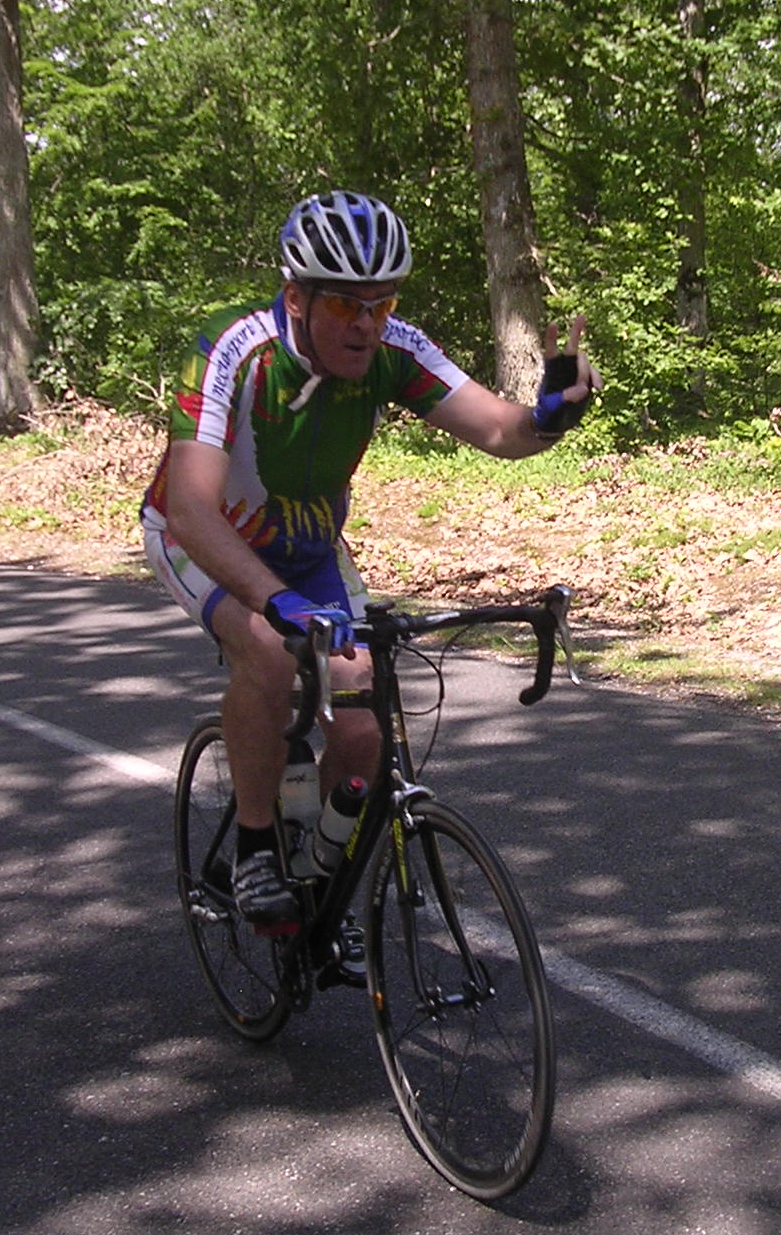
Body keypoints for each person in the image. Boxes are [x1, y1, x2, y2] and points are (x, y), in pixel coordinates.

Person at [141, 190, 600, 934]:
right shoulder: (235, 349)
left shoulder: (393, 351)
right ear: (296, 297)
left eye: (382, 304)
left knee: (361, 734)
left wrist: (549, 417)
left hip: (310, 546)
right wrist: (274, 603)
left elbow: (497, 429)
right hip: (202, 536)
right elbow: (193, 509)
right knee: (269, 651)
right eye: (345, 305)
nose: (366, 324)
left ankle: (317, 899)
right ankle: (254, 848)